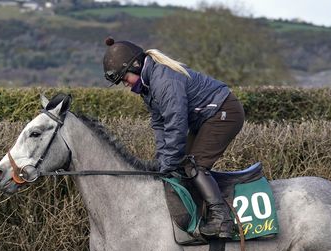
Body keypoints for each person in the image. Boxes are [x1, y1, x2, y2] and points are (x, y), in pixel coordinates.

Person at [102, 37, 245, 239]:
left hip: (225, 113)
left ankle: (222, 220)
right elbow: (160, 124)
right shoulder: (148, 84)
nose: (125, 84)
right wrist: (164, 163)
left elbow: (176, 123)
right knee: (179, 165)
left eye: (124, 78)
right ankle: (201, 212)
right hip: (207, 117)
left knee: (194, 166)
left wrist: (168, 162)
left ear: (135, 65)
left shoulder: (164, 80)